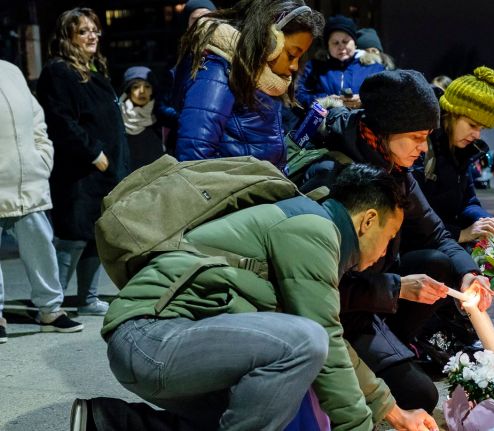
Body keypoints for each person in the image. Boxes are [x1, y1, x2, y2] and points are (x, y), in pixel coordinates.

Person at [70, 164, 437, 431]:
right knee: (304, 343)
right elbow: (323, 337)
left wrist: (390, 409)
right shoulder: (313, 229)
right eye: (390, 237)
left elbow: (333, 342)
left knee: (269, 408)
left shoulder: (311, 228)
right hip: (151, 340)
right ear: (368, 220)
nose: (387, 252)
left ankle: (109, 422)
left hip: (166, 348)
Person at [298, 69, 493, 413]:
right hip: (332, 316)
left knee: (439, 263)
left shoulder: (396, 170)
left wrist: (469, 274)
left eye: (427, 137)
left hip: (369, 299)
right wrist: (397, 288)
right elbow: (314, 289)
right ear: (386, 131)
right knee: (421, 397)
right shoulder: (335, 180)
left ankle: (396, 348)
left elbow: (435, 231)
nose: (423, 149)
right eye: (416, 137)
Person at [36, 7, 130, 316]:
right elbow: (61, 121)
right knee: (74, 236)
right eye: (83, 31)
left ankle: (87, 299)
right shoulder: (59, 71)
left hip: (104, 172)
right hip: (79, 172)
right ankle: (54, 303)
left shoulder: (94, 70)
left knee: (94, 237)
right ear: (68, 37)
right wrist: (94, 153)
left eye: (94, 30)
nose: (92, 36)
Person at [172, 0, 324, 169]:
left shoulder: (263, 77)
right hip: (240, 190)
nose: (294, 66)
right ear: (270, 41)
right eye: (291, 55)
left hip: (263, 184)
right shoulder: (219, 72)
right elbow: (193, 156)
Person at [0, 60, 84, 342]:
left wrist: (42, 158)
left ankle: (50, 310)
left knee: (41, 249)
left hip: (28, 182)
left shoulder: (10, 71)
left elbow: (36, 118)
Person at [413, 66, 494, 246]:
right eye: (472, 125)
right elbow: (414, 217)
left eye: (481, 128)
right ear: (451, 114)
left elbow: (468, 202)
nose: (477, 135)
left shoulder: (463, 151)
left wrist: (485, 220)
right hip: (423, 245)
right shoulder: (421, 147)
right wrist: (460, 234)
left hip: (446, 241)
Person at [296, 15, 385, 110]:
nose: (341, 46)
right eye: (335, 43)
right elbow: (298, 95)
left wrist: (364, 100)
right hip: (325, 122)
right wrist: (324, 101)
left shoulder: (373, 67)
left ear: (354, 43)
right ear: (328, 46)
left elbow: (386, 95)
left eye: (345, 41)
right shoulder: (314, 68)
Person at [119, 66, 170, 171]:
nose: (142, 91)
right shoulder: (116, 120)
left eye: (147, 86)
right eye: (136, 87)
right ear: (128, 91)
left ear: (152, 91)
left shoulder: (163, 120)